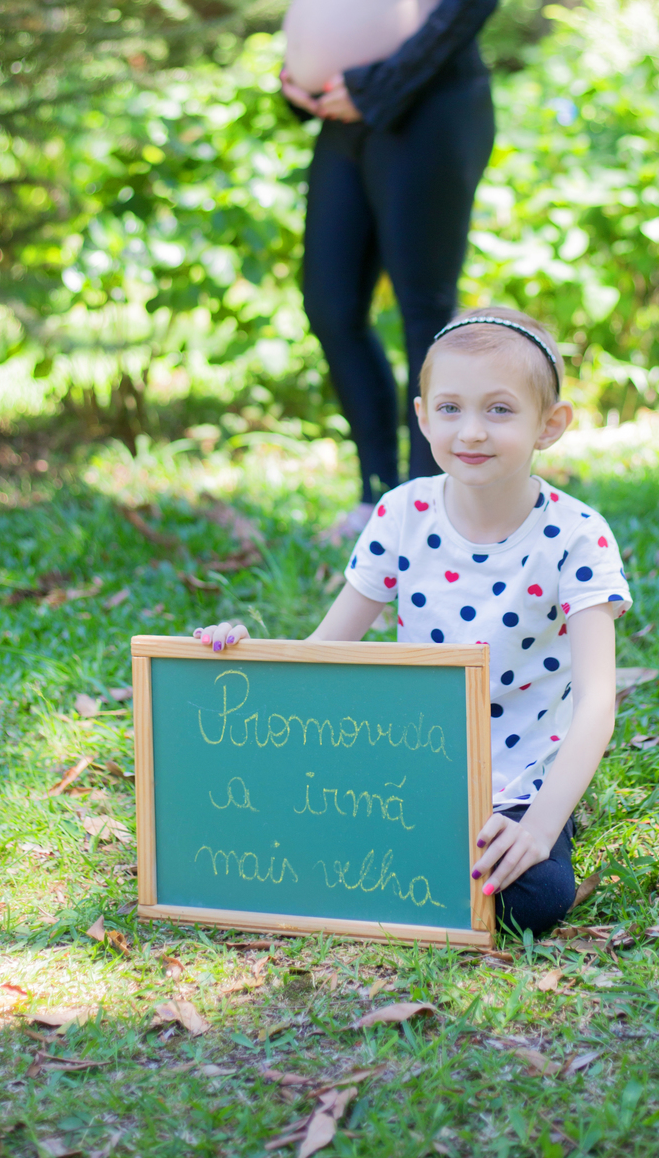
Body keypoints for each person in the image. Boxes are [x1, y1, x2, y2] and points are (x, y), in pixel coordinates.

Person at [194, 306, 631, 939]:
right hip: (404, 772)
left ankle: (431, 860)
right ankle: (402, 858)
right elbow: (325, 650)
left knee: (534, 898)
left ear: (550, 424)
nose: (472, 432)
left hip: (518, 785)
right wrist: (239, 652)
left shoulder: (577, 535)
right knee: (279, 837)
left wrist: (538, 825)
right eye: (450, 409)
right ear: (423, 416)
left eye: (500, 410)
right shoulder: (404, 512)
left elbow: (596, 701)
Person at [281, 0, 504, 542]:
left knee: (424, 310)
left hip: (429, 107)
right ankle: (382, 494)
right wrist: (302, 75)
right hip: (344, 117)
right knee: (330, 302)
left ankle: (433, 508)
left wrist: (373, 80)